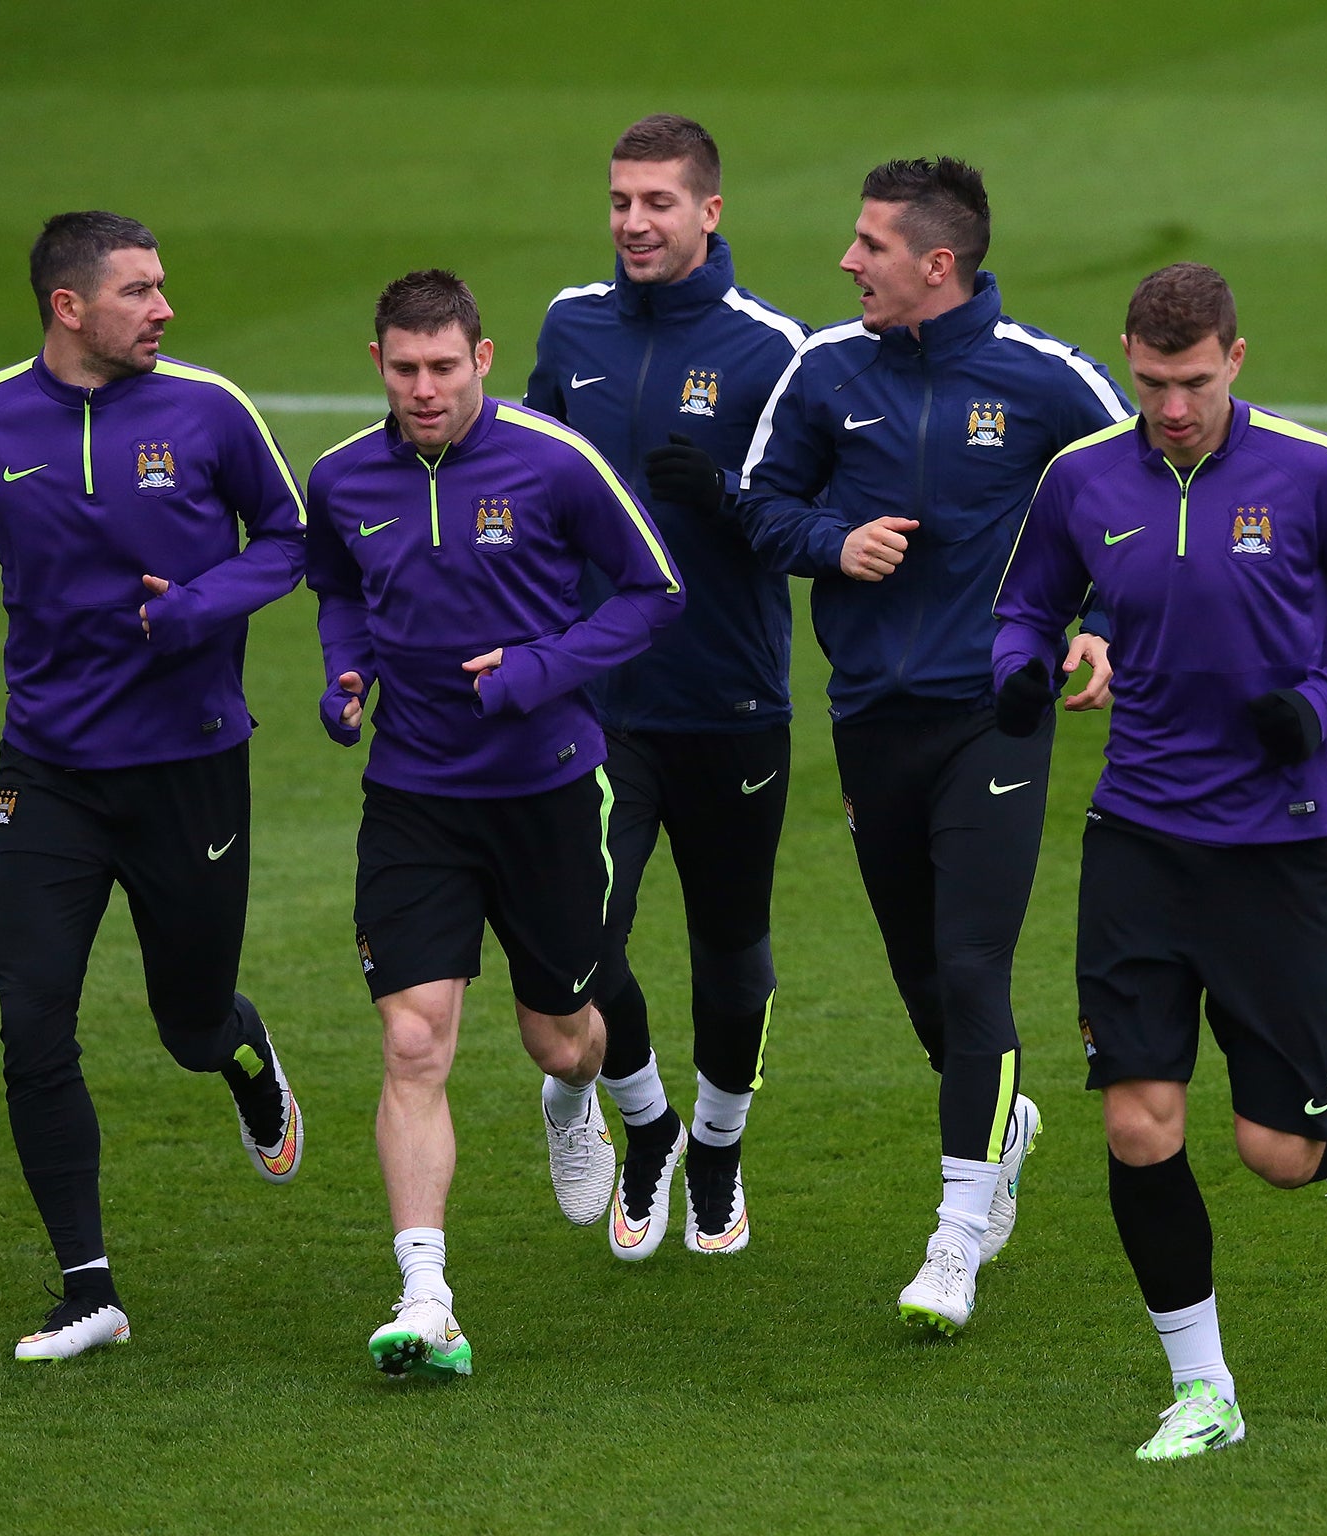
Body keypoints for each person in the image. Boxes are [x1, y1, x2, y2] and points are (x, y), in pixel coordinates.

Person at [993, 261, 1327, 1458]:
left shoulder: (1309, 472)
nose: (1170, 407)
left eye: (1190, 382)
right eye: (1149, 383)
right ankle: (1204, 1390)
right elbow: (1027, 605)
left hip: (1276, 847)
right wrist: (1021, 670)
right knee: (1138, 1124)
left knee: (1272, 1152)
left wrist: (1325, 700)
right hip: (1135, 835)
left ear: (1235, 359)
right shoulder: (1082, 477)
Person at [0, 210, 309, 1361]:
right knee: (32, 1023)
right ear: (68, 307)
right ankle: (88, 1288)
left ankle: (240, 1050)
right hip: (50, 773)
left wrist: (196, 608)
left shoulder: (208, 408)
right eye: (140, 291)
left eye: (162, 287)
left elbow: (290, 540)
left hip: (190, 768)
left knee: (185, 1023)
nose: (165, 309)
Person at [738, 157, 1130, 1333]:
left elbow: (1148, 506)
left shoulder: (1046, 380)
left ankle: (954, 1238)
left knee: (971, 967)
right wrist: (831, 542)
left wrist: (1102, 626)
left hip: (991, 714)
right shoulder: (822, 370)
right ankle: (996, 1125)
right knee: (924, 987)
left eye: (868, 244)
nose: (847, 261)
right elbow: (756, 504)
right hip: (868, 720)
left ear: (936, 264)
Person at [305, 270, 684, 1377]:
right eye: (403, 368)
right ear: (376, 361)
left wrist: (536, 671)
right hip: (415, 795)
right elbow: (335, 587)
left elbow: (652, 591)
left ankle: (578, 1100)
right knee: (414, 1038)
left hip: (551, 788)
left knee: (559, 1033)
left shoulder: (555, 462)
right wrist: (345, 671)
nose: (424, 389)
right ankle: (425, 1293)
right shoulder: (341, 477)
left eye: (443, 367)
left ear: (482, 356)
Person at [523, 114, 806, 1260]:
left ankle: (721, 1152)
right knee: (581, 937)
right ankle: (646, 1129)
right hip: (594, 700)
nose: (634, 223)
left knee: (730, 950)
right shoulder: (570, 324)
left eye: (657, 204)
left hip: (731, 698)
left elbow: (806, 524)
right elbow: (527, 476)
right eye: (620, 202)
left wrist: (731, 493)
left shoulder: (773, 350)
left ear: (709, 213)